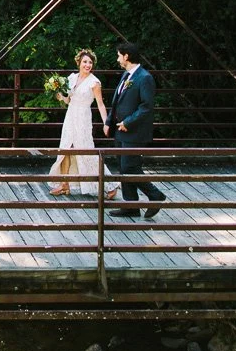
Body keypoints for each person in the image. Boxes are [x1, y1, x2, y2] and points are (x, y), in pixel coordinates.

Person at [105, 41, 168, 219]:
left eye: (119, 55)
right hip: (120, 130)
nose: (117, 59)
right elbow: (116, 101)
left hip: (134, 131)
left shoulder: (144, 77)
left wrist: (128, 122)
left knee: (129, 167)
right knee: (124, 167)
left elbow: (146, 106)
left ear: (126, 56)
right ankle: (131, 205)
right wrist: (109, 121)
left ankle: (156, 196)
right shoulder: (126, 76)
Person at [48, 49, 118, 199]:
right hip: (71, 115)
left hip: (83, 118)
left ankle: (110, 184)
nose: (88, 65)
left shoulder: (94, 82)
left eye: (90, 62)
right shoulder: (71, 78)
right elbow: (68, 100)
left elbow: (100, 104)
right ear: (79, 62)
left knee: (86, 151)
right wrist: (60, 95)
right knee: (65, 149)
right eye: (85, 61)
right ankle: (64, 184)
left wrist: (107, 122)